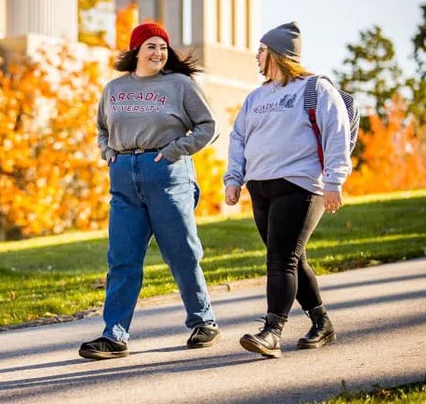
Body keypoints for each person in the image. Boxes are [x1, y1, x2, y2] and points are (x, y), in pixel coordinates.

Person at [78, 22, 221, 360]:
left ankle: (204, 321)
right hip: (124, 179)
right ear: (136, 51)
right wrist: (107, 150)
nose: (158, 53)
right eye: (151, 46)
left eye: (163, 47)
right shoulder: (114, 89)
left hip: (168, 175)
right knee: (122, 259)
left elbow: (208, 126)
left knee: (182, 253)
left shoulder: (179, 85)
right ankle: (114, 335)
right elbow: (101, 127)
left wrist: (175, 150)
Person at [224, 21, 352, 359]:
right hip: (261, 187)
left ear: (278, 54)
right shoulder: (256, 97)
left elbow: (336, 133)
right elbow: (238, 139)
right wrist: (234, 178)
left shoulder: (314, 88)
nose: (256, 55)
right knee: (293, 259)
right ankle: (322, 323)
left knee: (280, 259)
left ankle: (272, 331)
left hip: (300, 185)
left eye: (261, 50)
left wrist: (334, 181)